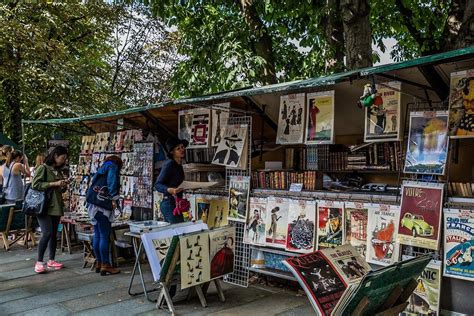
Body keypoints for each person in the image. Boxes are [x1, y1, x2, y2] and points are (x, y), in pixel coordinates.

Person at [32, 146, 68, 273]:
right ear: (55, 156)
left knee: (53, 234)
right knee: (46, 233)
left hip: (56, 205)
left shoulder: (57, 170)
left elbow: (58, 188)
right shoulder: (43, 168)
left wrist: (63, 185)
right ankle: (39, 262)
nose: (63, 161)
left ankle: (51, 260)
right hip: (44, 206)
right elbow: (35, 184)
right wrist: (53, 184)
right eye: (62, 158)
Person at [86, 155, 122, 276]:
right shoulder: (112, 166)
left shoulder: (102, 168)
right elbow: (112, 183)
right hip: (102, 206)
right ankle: (106, 264)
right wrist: (115, 198)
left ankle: (99, 263)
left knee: (97, 235)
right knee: (104, 236)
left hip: (93, 205)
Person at [154, 137, 188, 224]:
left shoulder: (179, 164)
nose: (182, 150)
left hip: (177, 203)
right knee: (179, 231)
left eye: (182, 147)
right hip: (169, 203)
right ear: (172, 152)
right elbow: (157, 184)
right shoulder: (169, 164)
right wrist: (169, 190)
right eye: (178, 148)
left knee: (178, 231)